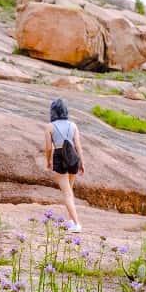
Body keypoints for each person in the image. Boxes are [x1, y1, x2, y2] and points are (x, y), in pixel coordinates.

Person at [42, 98, 84, 232]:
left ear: (53, 111)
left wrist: (48, 161)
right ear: (65, 111)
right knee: (70, 191)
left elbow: (49, 148)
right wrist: (82, 162)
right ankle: (71, 221)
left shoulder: (49, 126)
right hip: (73, 158)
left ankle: (77, 224)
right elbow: (78, 146)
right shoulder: (73, 125)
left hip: (60, 157)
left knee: (67, 194)